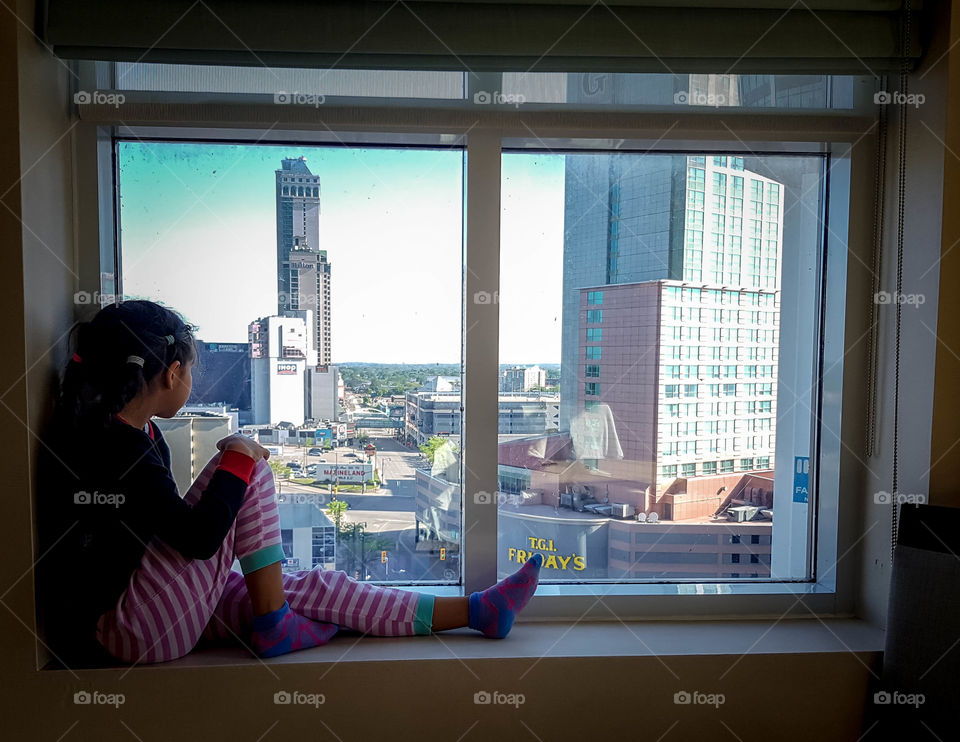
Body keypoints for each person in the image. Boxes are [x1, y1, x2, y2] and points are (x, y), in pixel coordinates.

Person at [37, 300, 541, 666]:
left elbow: (165, 536)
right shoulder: (114, 447)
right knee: (247, 464)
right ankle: (276, 623)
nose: (193, 379)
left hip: (142, 616)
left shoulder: (125, 432)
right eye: (192, 368)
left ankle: (477, 611)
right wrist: (238, 460)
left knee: (316, 587)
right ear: (170, 374)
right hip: (126, 630)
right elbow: (197, 538)